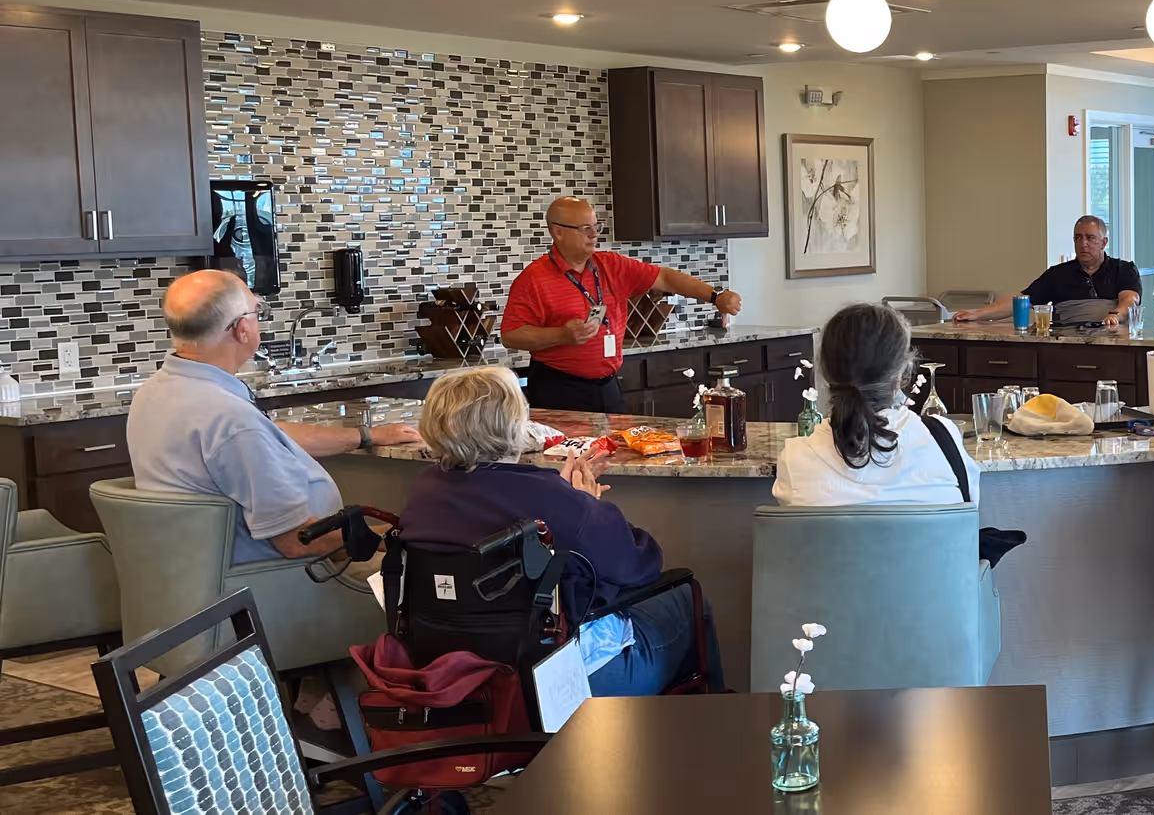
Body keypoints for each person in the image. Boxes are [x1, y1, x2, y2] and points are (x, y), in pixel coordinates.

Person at [397, 366, 721, 695]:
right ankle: (703, 726)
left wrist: (571, 503)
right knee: (685, 595)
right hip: (558, 679)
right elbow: (640, 563)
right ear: (512, 424)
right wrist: (583, 503)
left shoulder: (424, 491)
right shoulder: (545, 494)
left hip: (455, 672)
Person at [128, 270, 421, 562]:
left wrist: (365, 436)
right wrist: (390, 536)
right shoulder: (230, 419)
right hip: (278, 580)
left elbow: (268, 436)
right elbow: (297, 543)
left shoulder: (155, 393)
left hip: (196, 573)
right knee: (415, 572)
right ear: (241, 329)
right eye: (257, 312)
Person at [503, 196, 741, 412]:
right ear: (558, 232)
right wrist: (561, 335)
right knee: (569, 457)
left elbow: (665, 278)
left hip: (608, 385)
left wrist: (715, 296)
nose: (594, 234)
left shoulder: (611, 265)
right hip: (559, 389)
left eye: (596, 227)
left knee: (617, 452)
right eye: (585, 228)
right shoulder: (534, 279)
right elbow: (511, 335)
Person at [773, 303, 980, 505]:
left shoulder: (795, 459)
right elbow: (970, 512)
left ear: (825, 372)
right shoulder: (943, 439)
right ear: (901, 373)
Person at [952, 215, 1142, 329]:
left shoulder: (1123, 270)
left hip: (1113, 342)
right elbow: (1021, 301)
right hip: (1067, 345)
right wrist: (977, 313)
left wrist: (1115, 315)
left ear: (1104, 242)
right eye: (1078, 238)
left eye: (1090, 238)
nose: (1083, 243)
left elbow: (1130, 301)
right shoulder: (1058, 274)